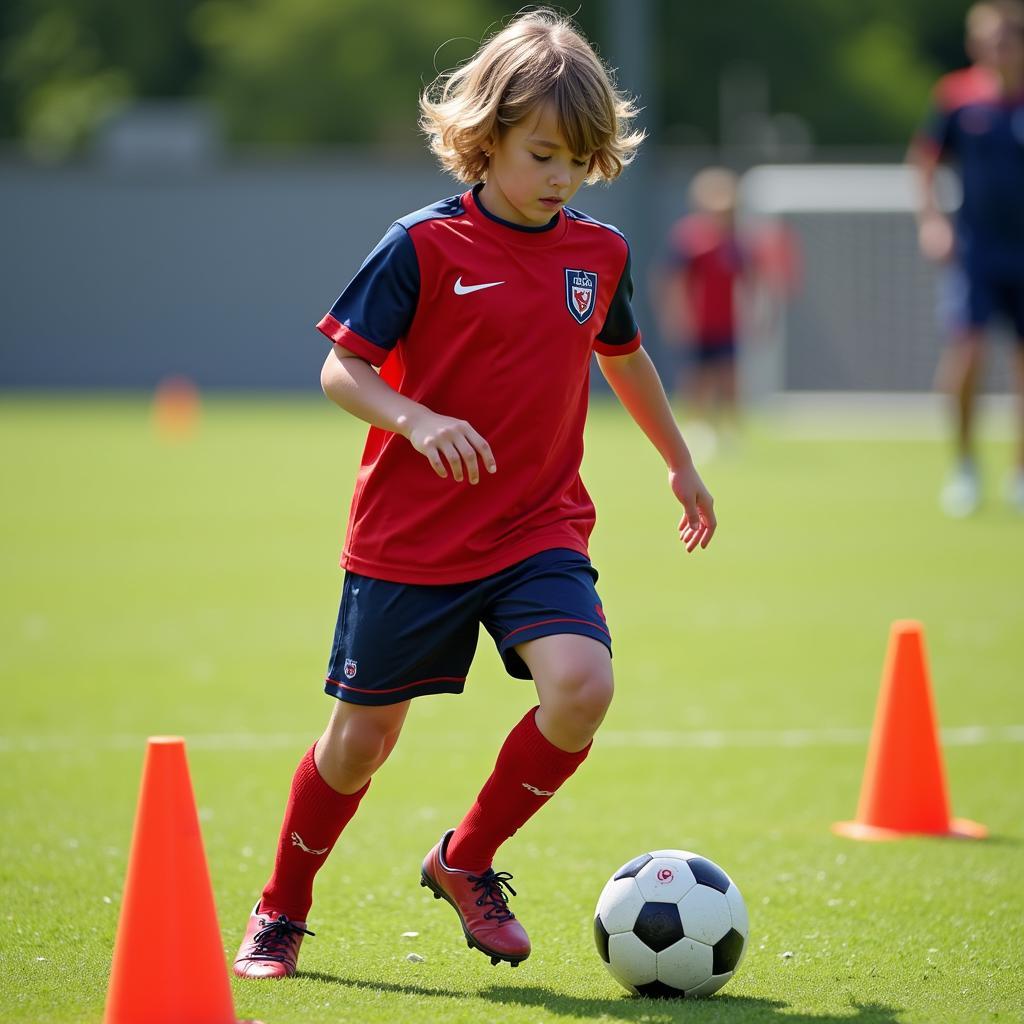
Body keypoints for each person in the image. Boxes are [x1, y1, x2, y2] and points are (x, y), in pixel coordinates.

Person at [232, 9, 715, 980]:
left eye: (578, 159)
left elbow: (621, 357)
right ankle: (281, 908)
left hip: (537, 525)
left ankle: (466, 858)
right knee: (360, 743)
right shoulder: (421, 245)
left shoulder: (598, 254)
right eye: (541, 153)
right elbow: (341, 368)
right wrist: (415, 419)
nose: (560, 177)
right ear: (483, 135)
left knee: (582, 688)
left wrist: (678, 457)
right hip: (410, 539)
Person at [909, 0, 1024, 517]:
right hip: (978, 251)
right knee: (968, 354)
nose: (996, 47)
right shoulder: (957, 98)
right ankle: (965, 468)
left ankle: (1020, 473)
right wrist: (932, 221)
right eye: (987, 38)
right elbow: (925, 161)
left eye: (1006, 37)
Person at [657, 168, 747, 437]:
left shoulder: (734, 243)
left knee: (729, 377)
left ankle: (730, 432)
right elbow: (672, 281)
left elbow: (747, 281)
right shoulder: (690, 239)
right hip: (698, 323)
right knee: (697, 378)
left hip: (727, 323)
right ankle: (696, 428)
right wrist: (676, 316)